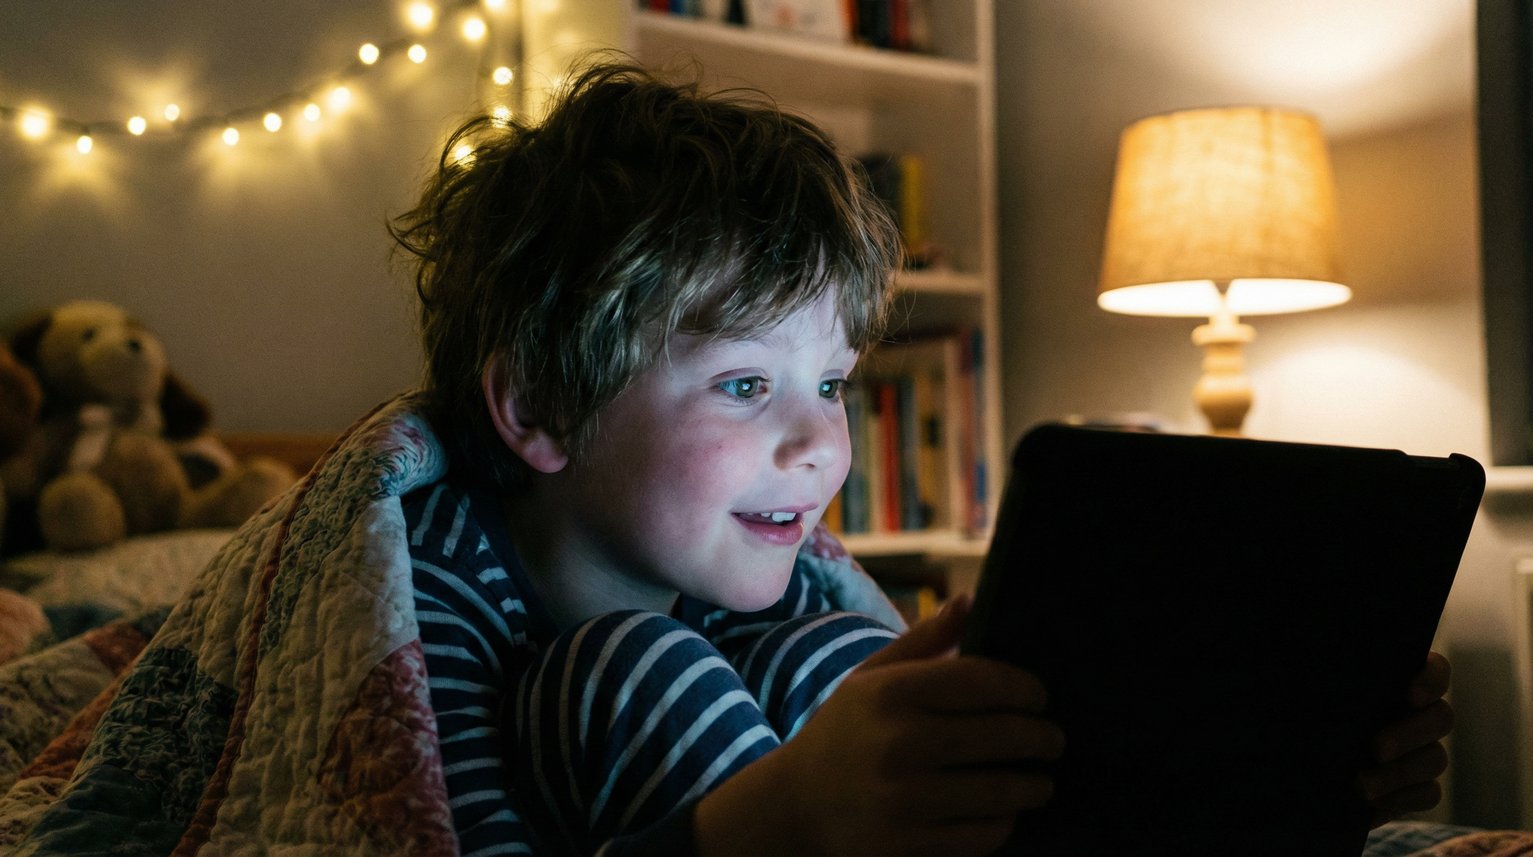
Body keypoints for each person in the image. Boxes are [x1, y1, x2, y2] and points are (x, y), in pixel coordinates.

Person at [382, 58, 1456, 856]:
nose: (819, 445)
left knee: (863, 680)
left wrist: (1310, 765)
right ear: (540, 407)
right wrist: (787, 813)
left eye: (833, 384)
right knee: (631, 664)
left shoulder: (786, 591)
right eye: (746, 384)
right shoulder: (423, 597)